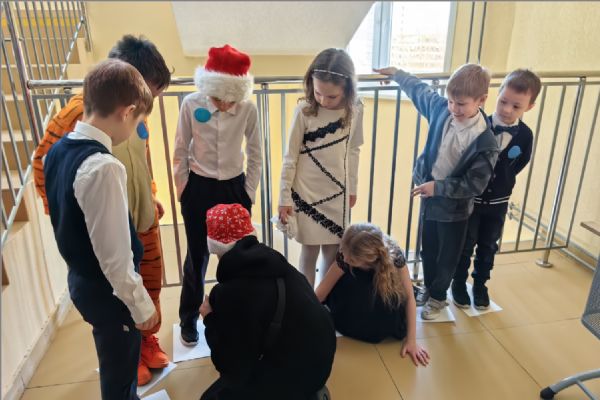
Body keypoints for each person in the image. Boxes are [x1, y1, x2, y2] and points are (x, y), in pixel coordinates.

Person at [32, 35, 172, 384]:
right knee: (122, 293)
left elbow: (142, 159)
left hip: (139, 219)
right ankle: (129, 349)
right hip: (105, 227)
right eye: (149, 96)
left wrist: (151, 193)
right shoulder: (81, 117)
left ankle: (144, 339)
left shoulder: (127, 114)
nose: (149, 107)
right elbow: (43, 165)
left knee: (147, 282)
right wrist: (68, 216)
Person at [374, 64, 499, 320]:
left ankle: (439, 297)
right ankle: (430, 289)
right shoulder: (443, 110)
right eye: (451, 101)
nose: (454, 108)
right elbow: (420, 92)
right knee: (428, 249)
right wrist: (398, 74)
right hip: (430, 200)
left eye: (461, 104)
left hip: (455, 210)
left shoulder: (485, 142)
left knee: (447, 256)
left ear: (481, 100)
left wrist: (439, 187)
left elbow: (475, 184)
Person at [173, 44, 262, 346]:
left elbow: (256, 153)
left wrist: (248, 193)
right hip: (198, 188)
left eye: (231, 98)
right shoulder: (190, 104)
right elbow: (180, 150)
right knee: (197, 255)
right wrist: (184, 190)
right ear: (208, 88)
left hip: (234, 188)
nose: (224, 105)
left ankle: (236, 313)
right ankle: (189, 318)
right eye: (218, 97)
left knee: (239, 255)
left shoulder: (248, 109)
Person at [200, 204, 336, 400]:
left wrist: (209, 318)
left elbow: (231, 366)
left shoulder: (228, 293)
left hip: (294, 379)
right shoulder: (280, 265)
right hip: (320, 368)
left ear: (215, 247)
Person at [452, 69, 540, 309]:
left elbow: (520, 162)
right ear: (496, 95)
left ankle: (480, 284)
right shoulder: (479, 126)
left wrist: (503, 181)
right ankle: (458, 282)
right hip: (473, 200)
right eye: (503, 102)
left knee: (489, 245)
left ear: (529, 107)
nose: (507, 110)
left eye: (516, 106)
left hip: (499, 202)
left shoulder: (525, 135)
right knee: (465, 244)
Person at [278, 48, 364, 287]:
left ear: (347, 88)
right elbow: (290, 157)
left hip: (338, 192)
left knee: (334, 253)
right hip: (306, 192)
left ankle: (324, 301)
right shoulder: (304, 111)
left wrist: (352, 187)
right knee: (309, 252)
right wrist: (284, 197)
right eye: (318, 93)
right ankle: (308, 302)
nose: (324, 101)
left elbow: (354, 149)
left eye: (332, 96)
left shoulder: (356, 109)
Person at [315, 223, 429, 367]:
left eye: (352, 260)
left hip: (382, 303)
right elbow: (321, 292)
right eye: (344, 254)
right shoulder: (346, 255)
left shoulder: (395, 256)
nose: (346, 260)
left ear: (368, 259)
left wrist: (411, 341)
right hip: (352, 305)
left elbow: (410, 298)